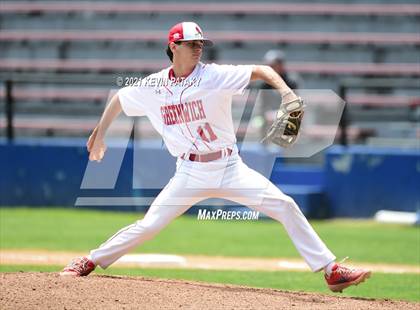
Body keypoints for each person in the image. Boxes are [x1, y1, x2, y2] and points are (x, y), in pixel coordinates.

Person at [60, 22, 370, 293]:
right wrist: (100, 133)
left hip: (229, 167)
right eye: (192, 44)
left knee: (285, 205)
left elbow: (261, 70)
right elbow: (119, 100)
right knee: (150, 225)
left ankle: (330, 271)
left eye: (201, 44)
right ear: (173, 47)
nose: (198, 49)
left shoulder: (214, 76)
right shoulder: (154, 86)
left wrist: (287, 94)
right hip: (188, 172)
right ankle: (90, 259)